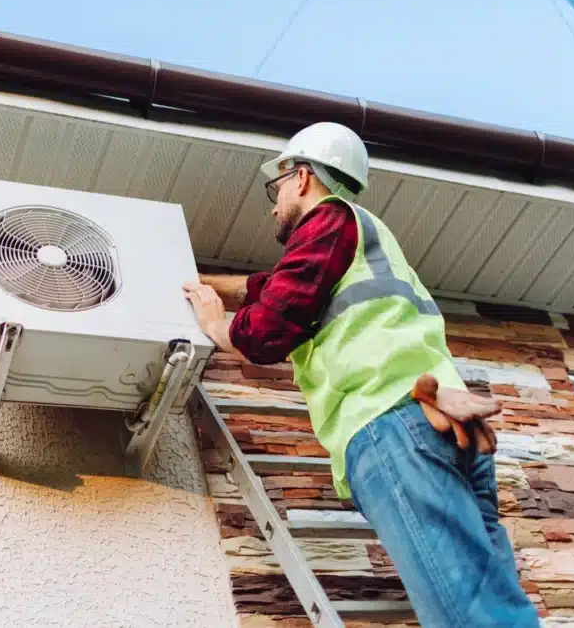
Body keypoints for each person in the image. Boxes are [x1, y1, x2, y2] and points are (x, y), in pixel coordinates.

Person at [182, 122, 539, 627]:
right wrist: (197, 279)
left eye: (277, 186)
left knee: (467, 619)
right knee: (494, 608)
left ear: (302, 177)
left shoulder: (327, 222)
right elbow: (270, 285)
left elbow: (265, 331)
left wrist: (218, 327)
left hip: (391, 424)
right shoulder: (362, 236)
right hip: (444, 421)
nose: (272, 203)